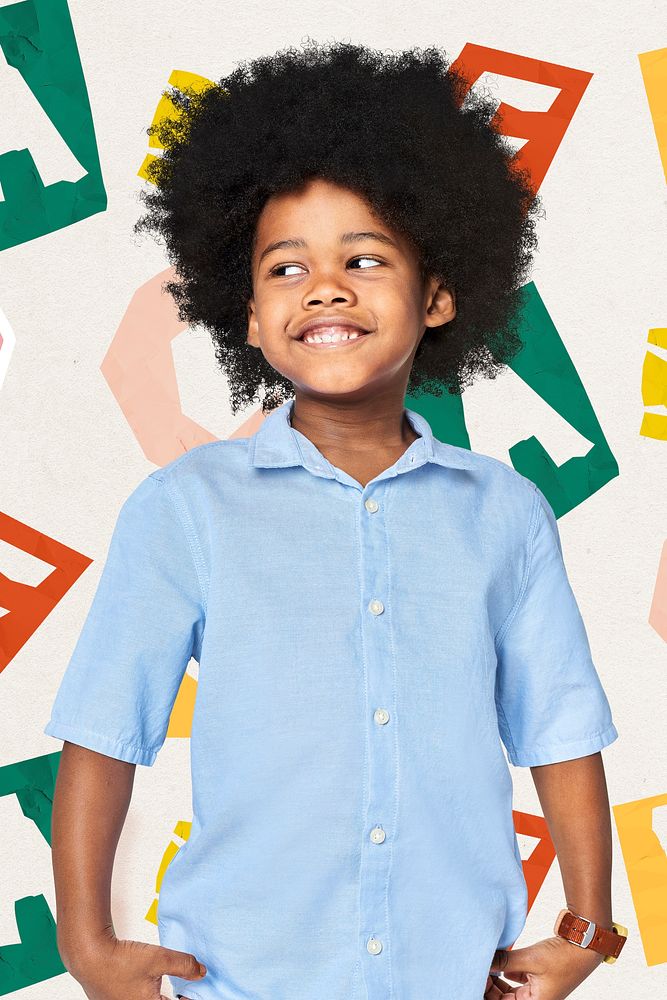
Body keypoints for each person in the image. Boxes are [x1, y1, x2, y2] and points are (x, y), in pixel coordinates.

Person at [44, 40, 623, 1000]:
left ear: (438, 296)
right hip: (239, 978)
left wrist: (585, 929)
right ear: (252, 319)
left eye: (365, 258)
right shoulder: (187, 509)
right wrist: (87, 945)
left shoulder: (505, 513)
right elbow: (104, 730)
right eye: (286, 269)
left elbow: (560, 726)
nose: (325, 287)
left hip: (455, 978)